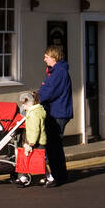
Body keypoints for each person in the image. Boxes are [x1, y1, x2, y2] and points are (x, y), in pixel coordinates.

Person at [37, 44, 72, 187]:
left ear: (53, 57)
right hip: (57, 112)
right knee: (55, 146)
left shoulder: (59, 72)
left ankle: (58, 177)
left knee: (53, 147)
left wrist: (36, 98)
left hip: (57, 113)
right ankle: (60, 175)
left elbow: (49, 91)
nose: (44, 59)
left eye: (46, 57)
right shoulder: (57, 71)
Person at [15, 91, 48, 187]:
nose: (23, 108)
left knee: (39, 161)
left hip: (35, 142)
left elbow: (35, 130)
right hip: (35, 140)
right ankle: (23, 178)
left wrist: (31, 143)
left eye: (23, 105)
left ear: (28, 103)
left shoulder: (33, 114)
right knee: (29, 159)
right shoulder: (36, 111)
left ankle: (50, 177)